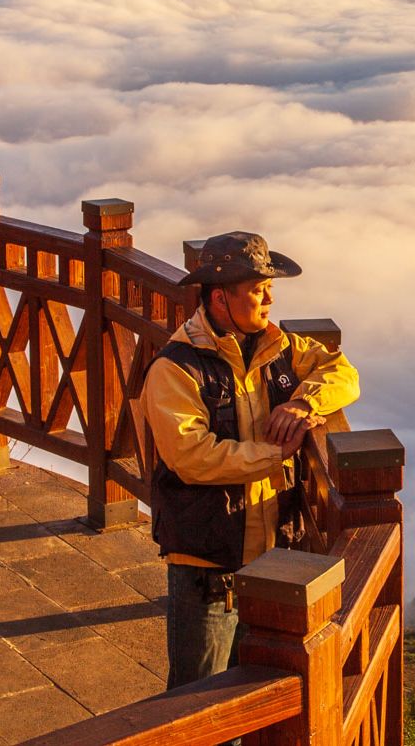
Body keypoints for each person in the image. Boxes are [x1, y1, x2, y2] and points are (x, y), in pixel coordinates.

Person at [134, 230, 360, 691]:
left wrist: (304, 403)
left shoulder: (280, 348)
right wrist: (276, 454)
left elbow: (344, 372)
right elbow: (191, 458)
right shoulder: (175, 368)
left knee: (252, 699)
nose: (269, 300)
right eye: (258, 290)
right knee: (196, 701)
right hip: (207, 568)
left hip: (271, 561)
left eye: (269, 288)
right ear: (220, 297)